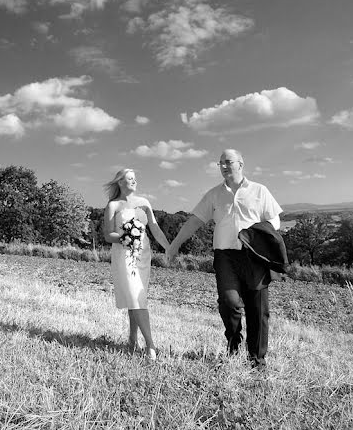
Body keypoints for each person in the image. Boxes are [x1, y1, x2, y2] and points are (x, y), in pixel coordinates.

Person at [166, 149, 282, 368]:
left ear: (241, 164)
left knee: (258, 309)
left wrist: (258, 235)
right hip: (225, 256)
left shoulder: (260, 190)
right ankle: (234, 342)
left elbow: (274, 221)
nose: (224, 166)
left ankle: (257, 361)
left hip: (254, 256)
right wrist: (175, 244)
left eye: (228, 162)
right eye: (220, 163)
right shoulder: (214, 194)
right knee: (229, 302)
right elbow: (194, 221)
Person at [102, 168, 171, 360]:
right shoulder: (113, 205)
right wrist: (126, 237)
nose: (134, 181)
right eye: (129, 179)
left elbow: (155, 229)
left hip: (143, 253)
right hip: (124, 255)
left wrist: (169, 248)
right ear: (120, 183)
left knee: (136, 298)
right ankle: (151, 345)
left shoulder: (144, 203)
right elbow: (108, 236)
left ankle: (132, 339)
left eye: (135, 179)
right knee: (135, 295)